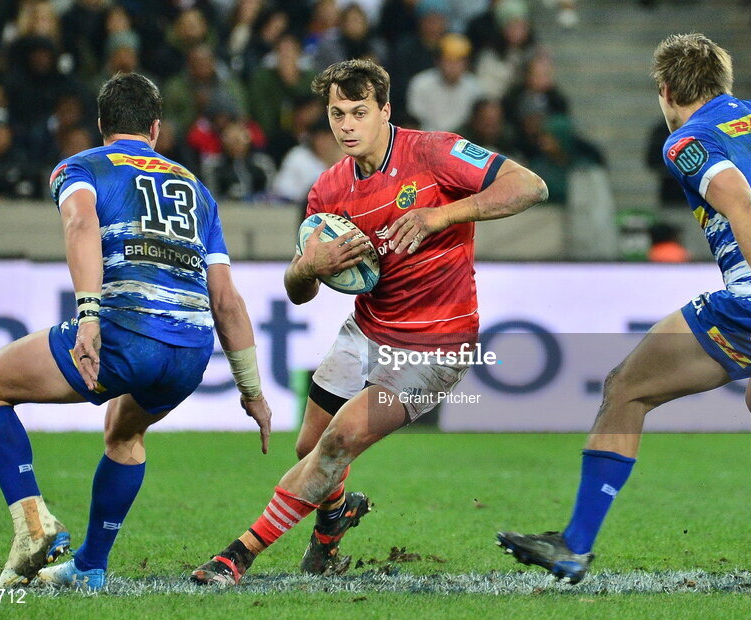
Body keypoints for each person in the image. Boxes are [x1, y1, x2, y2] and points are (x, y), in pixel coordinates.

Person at [496, 33, 751, 587]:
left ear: (666, 91)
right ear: (723, 82)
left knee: (625, 390)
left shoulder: (686, 140)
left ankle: (574, 544)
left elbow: (739, 204)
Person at [191, 58, 547, 585]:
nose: (347, 126)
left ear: (385, 110)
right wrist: (309, 266)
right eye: (337, 114)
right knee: (309, 449)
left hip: (435, 346)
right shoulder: (328, 192)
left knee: (339, 442)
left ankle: (237, 555)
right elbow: (299, 292)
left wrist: (441, 215)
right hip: (368, 329)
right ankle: (333, 528)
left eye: (360, 112)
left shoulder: (433, 152)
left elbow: (531, 186)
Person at [0, 72, 272, 591]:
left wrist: (89, 315)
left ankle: (33, 528)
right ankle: (89, 567)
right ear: (156, 128)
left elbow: (81, 226)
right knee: (125, 433)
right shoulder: (196, 188)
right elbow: (227, 301)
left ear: (102, 125)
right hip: (191, 353)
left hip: (127, 332)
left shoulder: (80, 166)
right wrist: (252, 391)